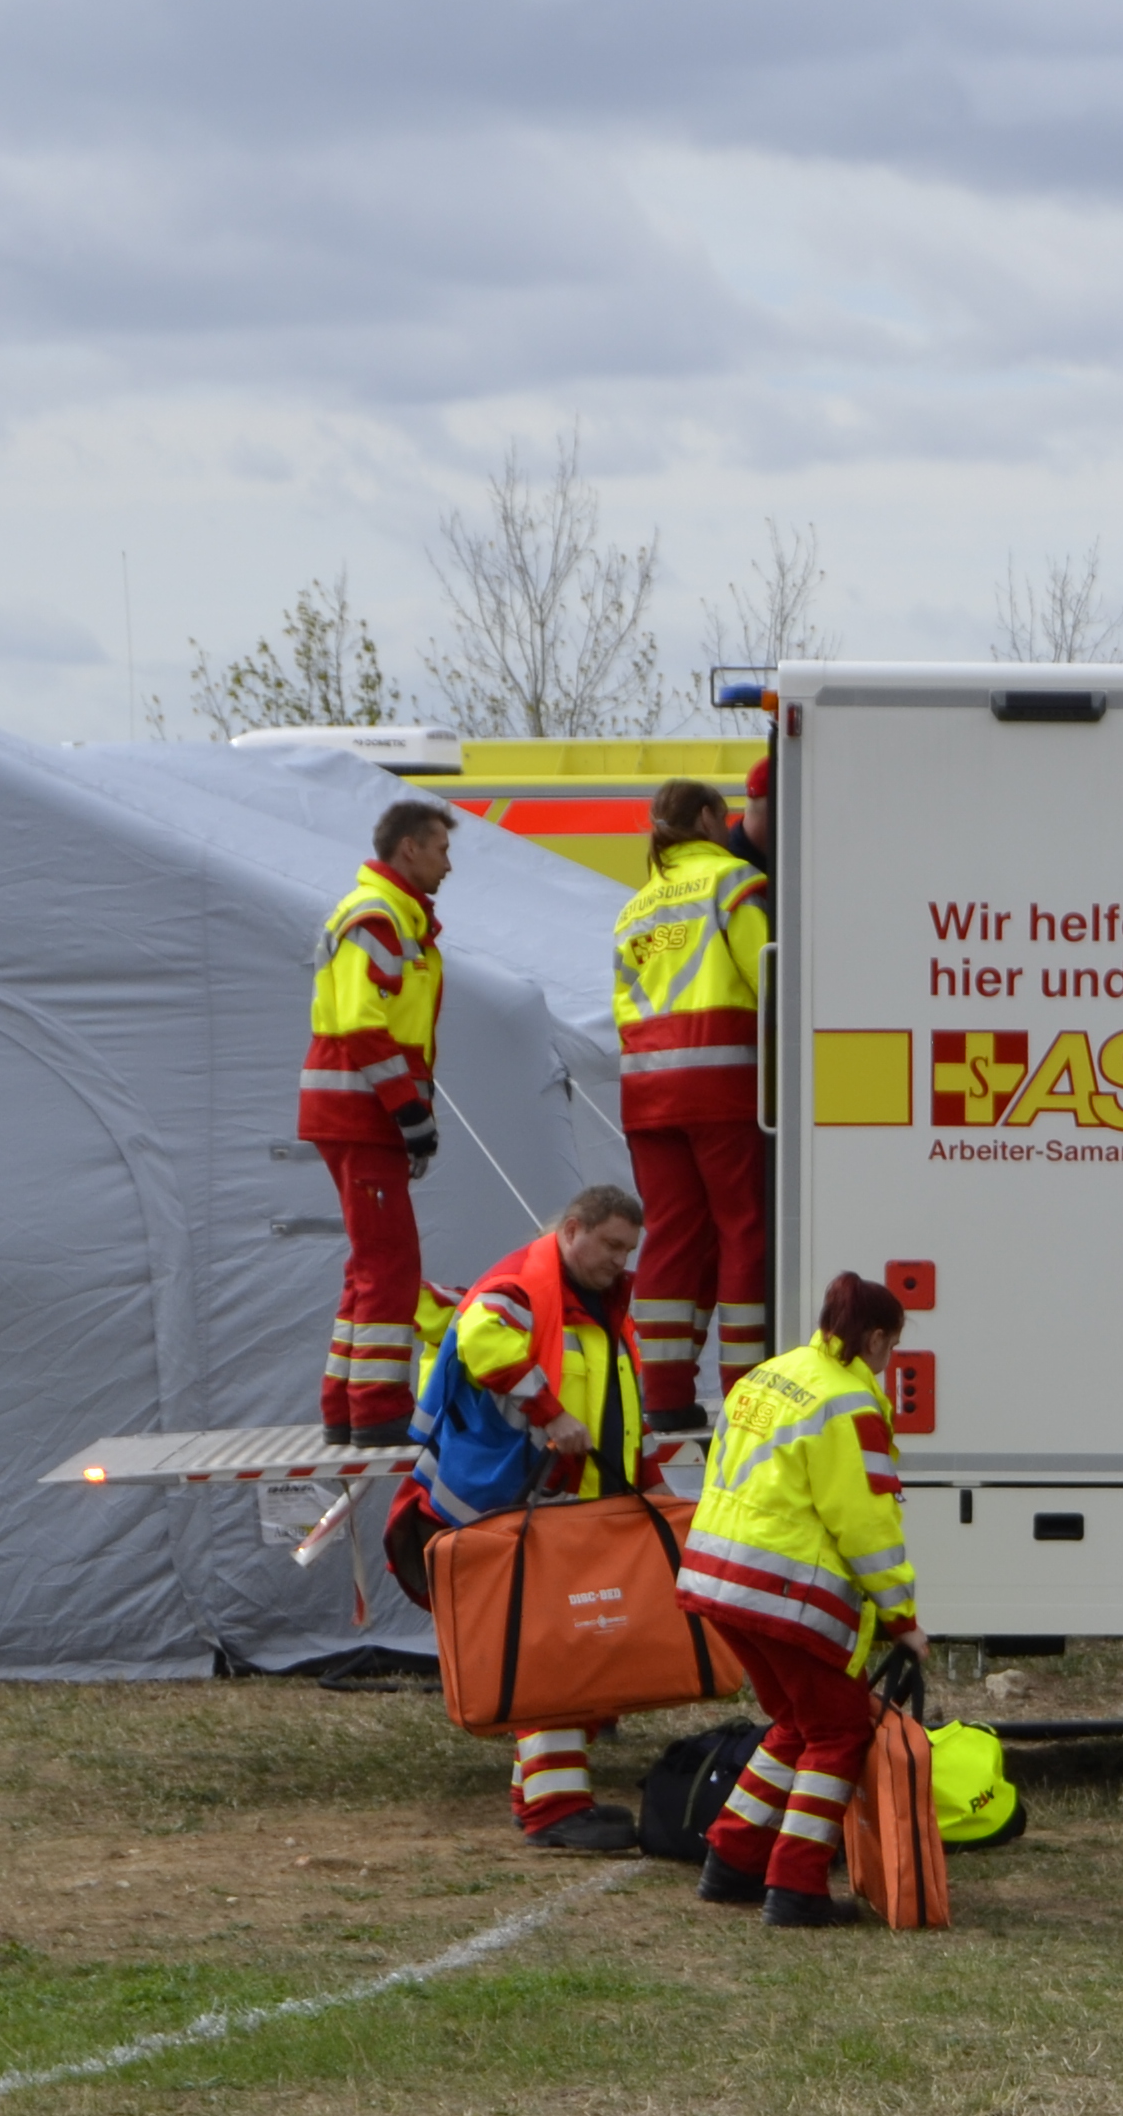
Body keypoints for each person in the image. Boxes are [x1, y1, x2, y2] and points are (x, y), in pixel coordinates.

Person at [380, 1185, 656, 1849]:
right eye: (611, 1244)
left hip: (562, 1505)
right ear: (572, 1229)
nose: (620, 1260)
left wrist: (644, 1488)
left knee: (557, 1649)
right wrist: (551, 1414)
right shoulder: (521, 1288)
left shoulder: (596, 1305)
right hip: (517, 1504)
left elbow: (617, 1412)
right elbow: (482, 1340)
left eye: (628, 1249)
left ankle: (537, 1794)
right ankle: (555, 1812)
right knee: (549, 1657)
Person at [678, 1272, 924, 1926]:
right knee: (839, 1728)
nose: (889, 1361)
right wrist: (904, 1619)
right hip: (782, 1594)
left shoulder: (769, 1376)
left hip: (716, 1581)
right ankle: (795, 1887)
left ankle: (731, 1859)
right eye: (890, 1346)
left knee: (798, 1722)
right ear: (874, 1337)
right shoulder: (849, 1403)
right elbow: (867, 1523)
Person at [611, 780, 775, 1436]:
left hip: (647, 1092)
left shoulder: (635, 908)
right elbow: (770, 974)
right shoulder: (732, 883)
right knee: (742, 1229)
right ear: (708, 818)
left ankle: (665, 1391)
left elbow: (626, 1004)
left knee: (672, 1236)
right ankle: (746, 1390)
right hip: (721, 1082)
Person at [301, 799, 455, 1444]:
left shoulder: (395, 919)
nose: (449, 865)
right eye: (442, 849)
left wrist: (407, 1115)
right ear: (410, 848)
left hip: (363, 1114)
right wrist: (409, 1112)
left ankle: (346, 1404)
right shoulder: (380, 917)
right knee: (390, 1261)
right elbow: (364, 1025)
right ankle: (377, 1407)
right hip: (361, 1111)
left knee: (370, 1261)